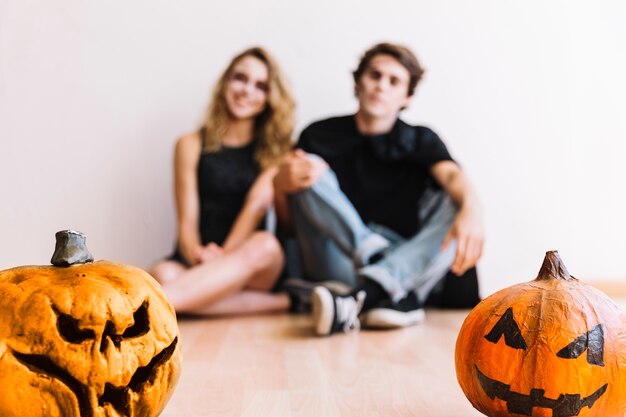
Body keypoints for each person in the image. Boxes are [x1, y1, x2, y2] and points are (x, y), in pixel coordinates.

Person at [273, 43, 484, 335]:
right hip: (338, 260)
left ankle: (362, 295)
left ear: (407, 96)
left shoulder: (420, 139)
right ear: (359, 81)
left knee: (459, 200)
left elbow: (452, 177)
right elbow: (290, 226)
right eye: (375, 75)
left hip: (404, 256)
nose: (381, 86)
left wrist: (473, 210)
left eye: (394, 81)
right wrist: (280, 186)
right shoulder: (318, 135)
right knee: (307, 165)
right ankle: (386, 284)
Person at [150, 47, 296, 315]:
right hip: (196, 258)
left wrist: (220, 260)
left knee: (266, 244)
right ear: (225, 82)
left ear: (269, 98)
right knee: (163, 274)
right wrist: (197, 254)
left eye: (260, 86)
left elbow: (253, 211)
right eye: (240, 78)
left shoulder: (276, 155)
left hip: (251, 262)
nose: (247, 91)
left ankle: (140, 305)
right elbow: (187, 222)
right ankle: (281, 302)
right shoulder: (189, 144)